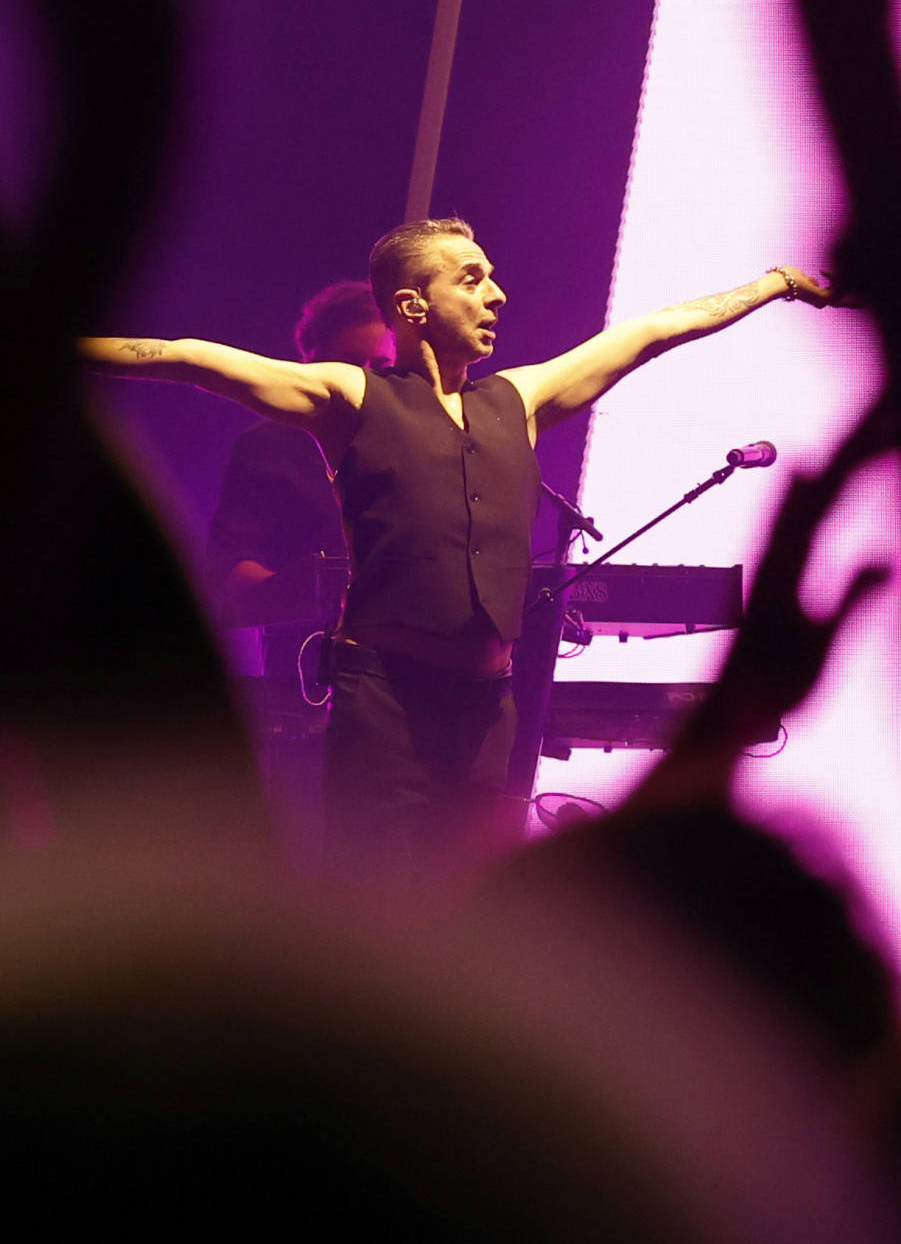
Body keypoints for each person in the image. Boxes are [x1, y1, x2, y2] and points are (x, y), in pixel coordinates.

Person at [82, 217, 841, 881]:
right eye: (472, 279)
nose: (496, 295)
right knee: (374, 896)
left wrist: (774, 284)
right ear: (413, 306)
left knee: (470, 899)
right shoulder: (350, 397)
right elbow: (185, 357)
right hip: (385, 701)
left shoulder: (521, 397)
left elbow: (654, 331)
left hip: (486, 708)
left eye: (494, 279)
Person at [203, 280, 389, 623]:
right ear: (310, 362)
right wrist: (318, 598)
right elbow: (232, 569)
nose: (362, 382)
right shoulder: (267, 446)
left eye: (379, 368)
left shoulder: (421, 442)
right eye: (347, 364)